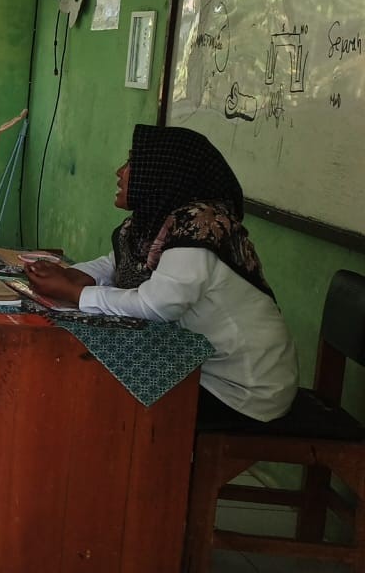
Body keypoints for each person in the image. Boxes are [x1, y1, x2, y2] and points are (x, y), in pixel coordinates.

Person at [26, 124, 299, 429]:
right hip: (200, 369)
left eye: (132, 163)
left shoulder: (199, 229)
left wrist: (76, 294)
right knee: (94, 385)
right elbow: (117, 263)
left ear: (164, 172)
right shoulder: (158, 222)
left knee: (98, 398)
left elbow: (158, 306)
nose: (120, 172)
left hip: (242, 390)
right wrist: (73, 275)